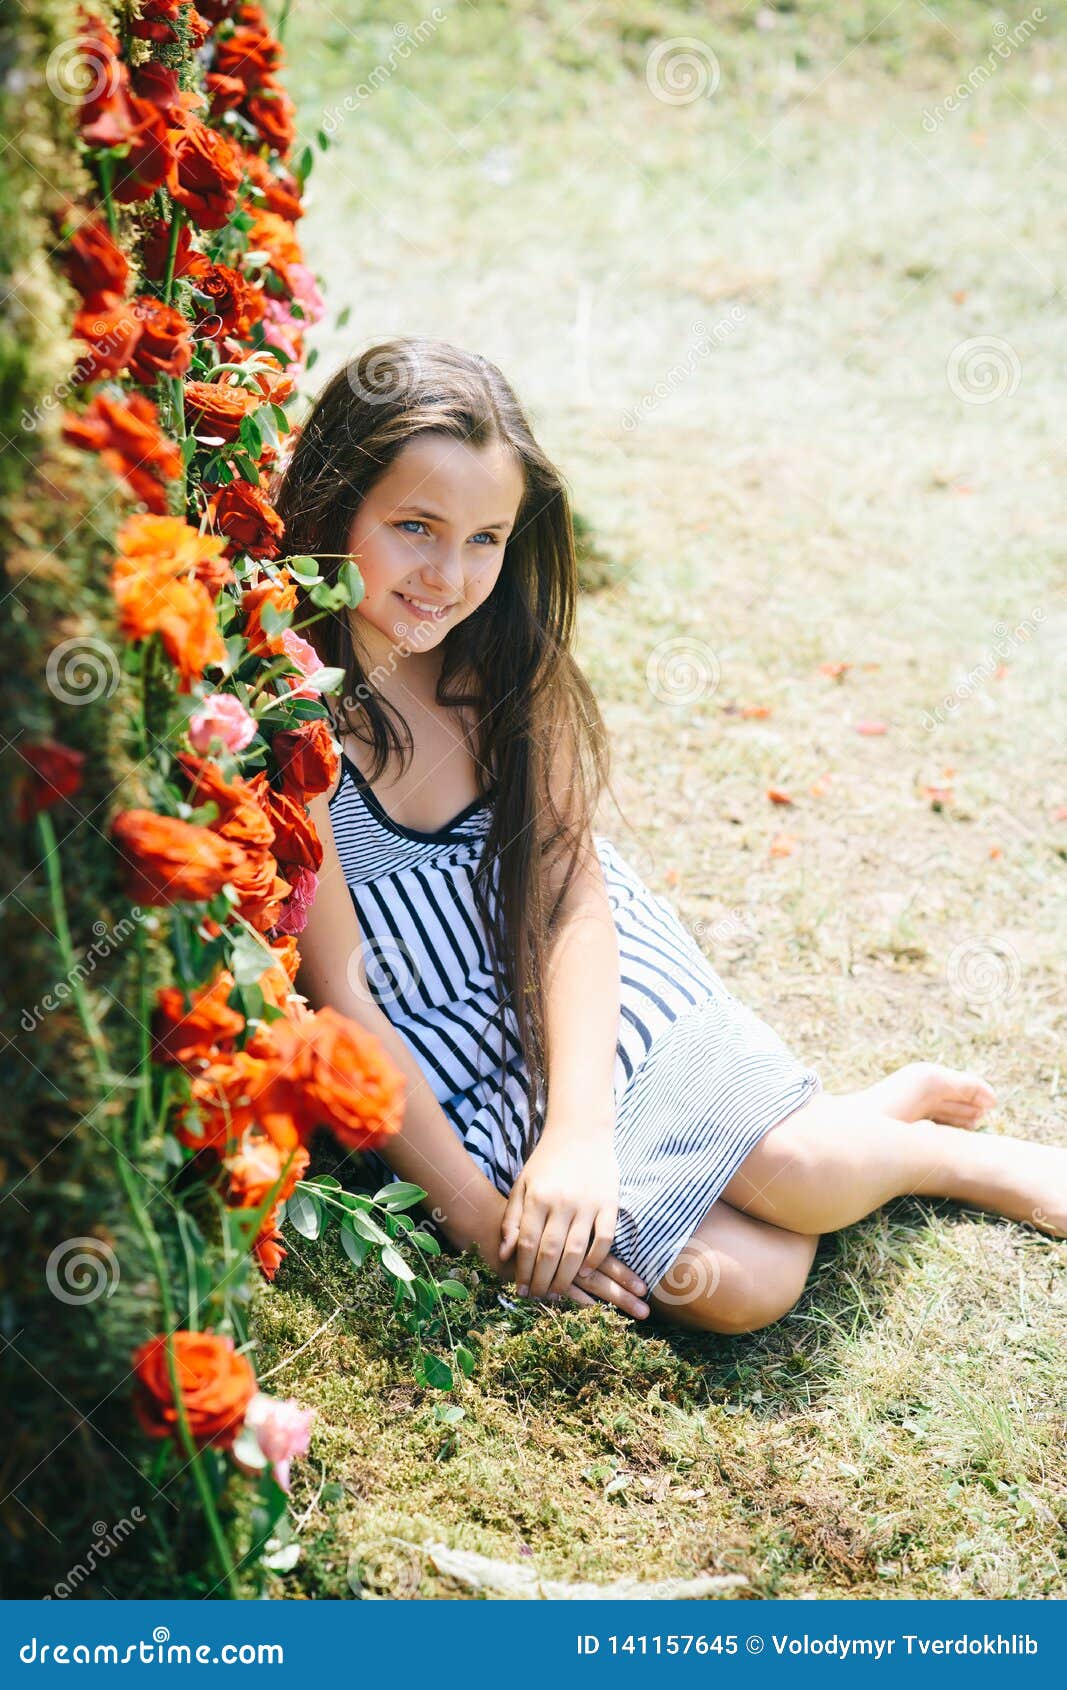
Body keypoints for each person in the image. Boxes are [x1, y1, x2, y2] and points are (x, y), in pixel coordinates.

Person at [279, 337, 1065, 1335]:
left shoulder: (505, 667)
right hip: (444, 1051)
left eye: (484, 537)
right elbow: (343, 996)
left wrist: (577, 1133)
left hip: (571, 973)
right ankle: (858, 1123)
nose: (448, 572)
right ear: (334, 504)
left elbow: (566, 901)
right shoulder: (295, 722)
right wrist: (476, 1215)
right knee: (739, 1286)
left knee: (804, 1175)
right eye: (414, 527)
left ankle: (940, 1159)